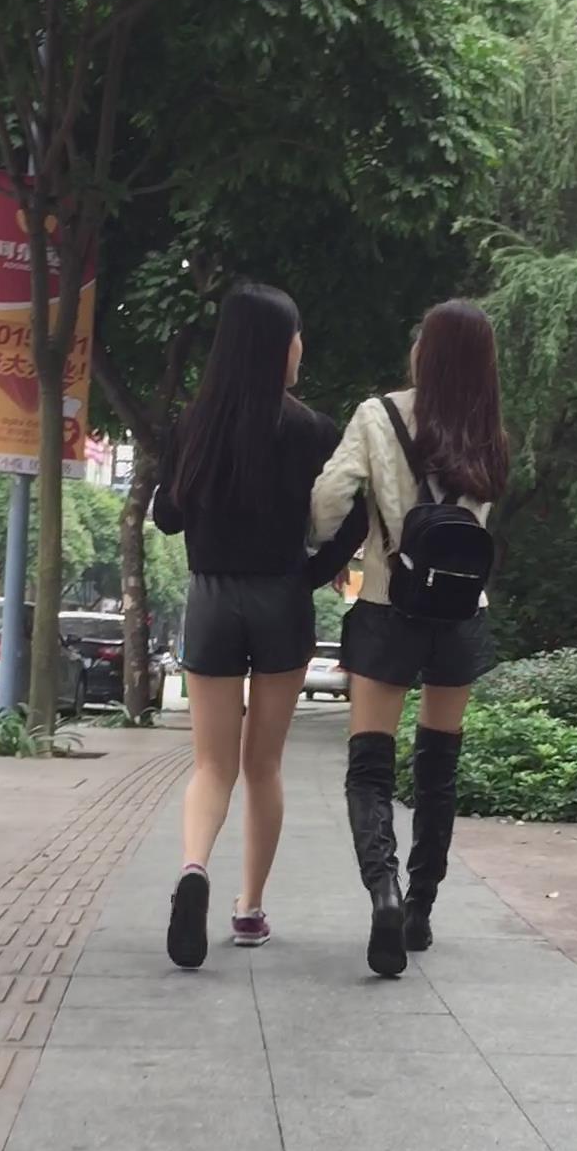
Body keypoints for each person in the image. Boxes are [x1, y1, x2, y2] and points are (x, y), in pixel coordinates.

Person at [153, 282, 364, 970]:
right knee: (263, 765)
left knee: (211, 764)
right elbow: (355, 517)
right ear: (279, 345)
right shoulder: (313, 431)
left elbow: (167, 517)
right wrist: (311, 572)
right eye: (297, 337)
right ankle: (249, 910)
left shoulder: (194, 425)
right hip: (281, 599)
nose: (302, 349)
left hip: (211, 598)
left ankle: (193, 869)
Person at [310, 299, 509, 978]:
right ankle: (422, 908)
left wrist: (334, 545)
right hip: (461, 612)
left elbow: (328, 499)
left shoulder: (377, 415)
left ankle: (384, 894)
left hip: (388, 606)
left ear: (428, 350)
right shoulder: (488, 430)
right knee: (438, 767)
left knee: (370, 765)